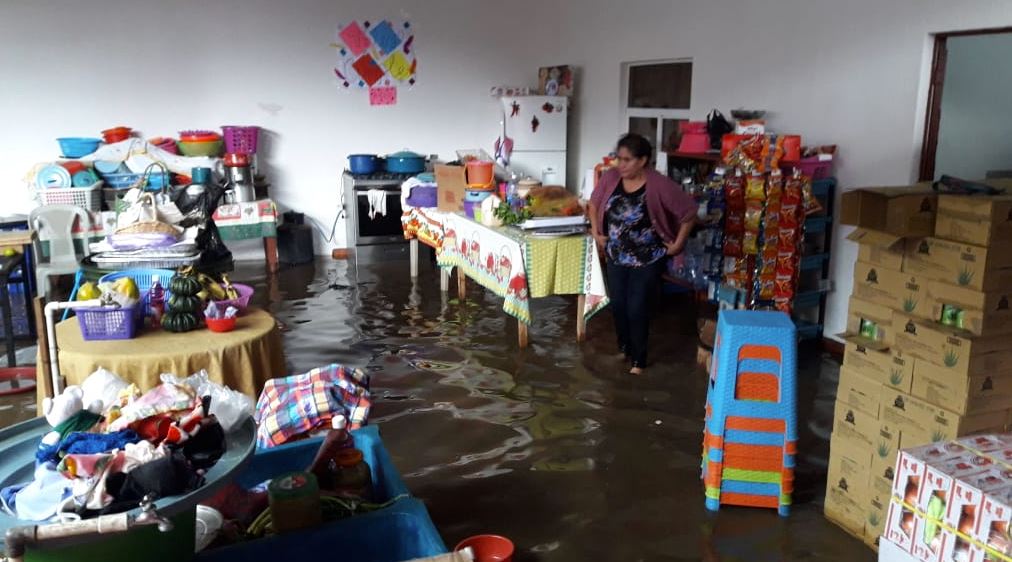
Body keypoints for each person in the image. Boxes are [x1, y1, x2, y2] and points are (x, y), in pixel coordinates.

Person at [588, 134, 698, 375]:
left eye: (627, 160)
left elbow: (689, 212)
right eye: (619, 158)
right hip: (616, 255)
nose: (621, 164)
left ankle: (638, 361)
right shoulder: (611, 178)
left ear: (642, 160)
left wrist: (678, 244)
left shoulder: (659, 185)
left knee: (637, 307)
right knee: (618, 305)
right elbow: (594, 204)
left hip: (648, 257)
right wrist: (596, 232)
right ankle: (624, 349)